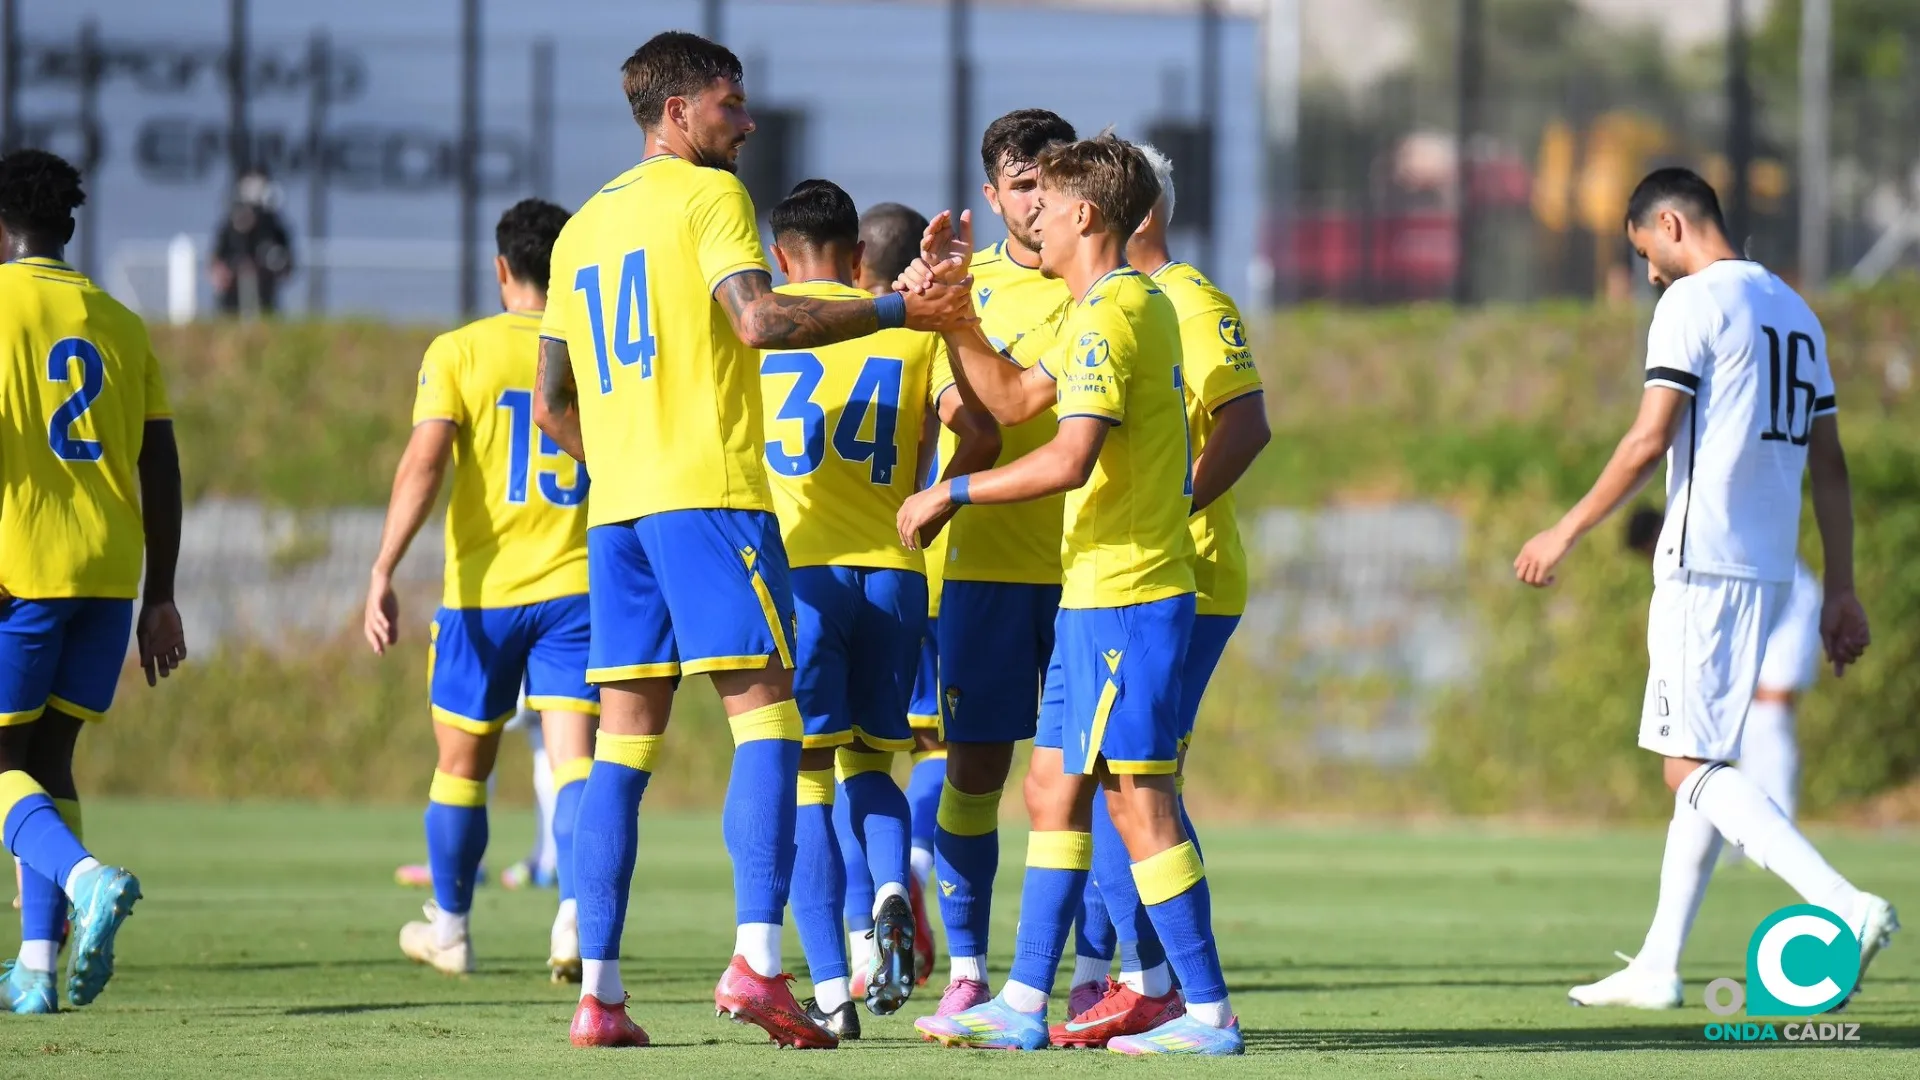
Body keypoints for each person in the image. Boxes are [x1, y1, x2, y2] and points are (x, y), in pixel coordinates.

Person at [530, 31, 973, 1050]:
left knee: (620, 750)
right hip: (714, 500)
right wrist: (897, 304)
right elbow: (760, 321)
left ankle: (599, 997)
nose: (749, 120)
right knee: (771, 721)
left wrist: (624, 466)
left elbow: (553, 399)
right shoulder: (711, 198)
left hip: (621, 515)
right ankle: (761, 964)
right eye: (732, 103)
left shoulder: (584, 224)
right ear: (678, 111)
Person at [1513, 167, 1898, 1009]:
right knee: (1707, 760)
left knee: (1683, 765)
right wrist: (1842, 588)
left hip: (1703, 563)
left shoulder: (1692, 304)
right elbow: (1829, 466)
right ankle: (1658, 963)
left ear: (1671, 225)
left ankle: (1844, 905)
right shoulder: (1796, 309)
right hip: (1767, 569)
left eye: (1645, 250)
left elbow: (1649, 439)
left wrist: (1563, 529)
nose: (1649, 272)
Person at [900, 132, 1243, 1055]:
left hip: (1128, 592)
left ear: (1085, 214)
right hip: (1094, 592)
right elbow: (1014, 402)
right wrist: (956, 321)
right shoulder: (1109, 305)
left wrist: (952, 490)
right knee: (1053, 789)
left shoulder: (1113, 315)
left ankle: (1204, 1012)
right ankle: (1019, 1000)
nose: (1032, 218)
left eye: (1044, 203)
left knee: (1140, 800)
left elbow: (1066, 455)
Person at [758, 180, 997, 1039]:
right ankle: (894, 887)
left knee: (804, 783)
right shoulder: (902, 336)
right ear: (858, 258)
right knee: (876, 765)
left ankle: (830, 989)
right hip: (897, 575)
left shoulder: (760, 337)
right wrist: (934, 494)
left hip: (801, 577)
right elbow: (982, 433)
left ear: (780, 259)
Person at [1057, 143, 1270, 1046]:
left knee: (1138, 784)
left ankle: (1172, 991)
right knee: (1123, 779)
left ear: (1133, 211)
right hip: (1122, 575)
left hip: (1186, 574)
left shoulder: (1189, 301)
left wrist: (1173, 505)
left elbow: (1248, 424)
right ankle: (1131, 978)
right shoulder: (1103, 306)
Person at [362, 198, 597, 984]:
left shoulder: (460, 350)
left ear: (502, 269)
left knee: (461, 767)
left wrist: (383, 569)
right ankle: (574, 917)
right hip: (581, 589)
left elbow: (424, 463)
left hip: (483, 596)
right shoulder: (595, 350)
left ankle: (453, 930)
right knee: (576, 766)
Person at [0, 147, 186, 1014]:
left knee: (2, 762)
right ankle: (37, 967)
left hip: (19, 573)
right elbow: (161, 460)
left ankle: (86, 879)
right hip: (110, 577)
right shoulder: (119, 320)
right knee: (48, 761)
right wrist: (161, 594)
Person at [920, 109, 1079, 1024]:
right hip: (982, 572)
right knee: (973, 773)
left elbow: (1017, 408)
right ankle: (971, 969)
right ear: (993, 194)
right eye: (1022, 184)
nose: (1037, 200)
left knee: (1085, 780)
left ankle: (1094, 974)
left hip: (1083, 568)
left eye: (1052, 183)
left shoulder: (1099, 287)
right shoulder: (959, 285)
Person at [841, 200, 947, 995]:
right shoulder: (933, 334)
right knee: (932, 749)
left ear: (853, 263)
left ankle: (852, 940)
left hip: (824, 564)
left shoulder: (800, 331)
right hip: (932, 564)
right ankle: (910, 866)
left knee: (831, 767)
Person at [1624, 508, 1822, 868]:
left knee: (1772, 711)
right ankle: (1751, 828)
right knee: (1742, 722)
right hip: (1754, 608)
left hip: (1787, 604)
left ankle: (1781, 828)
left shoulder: (1693, 531)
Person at [210, 168, 295, 317]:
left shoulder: (273, 226)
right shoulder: (230, 227)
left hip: (265, 298)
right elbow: (217, 262)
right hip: (232, 302)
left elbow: (287, 265)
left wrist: (271, 266)